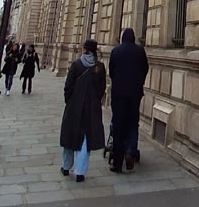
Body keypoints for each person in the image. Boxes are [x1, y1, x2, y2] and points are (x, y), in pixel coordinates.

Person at [59, 38, 106, 183]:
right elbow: (101, 89)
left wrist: (70, 101)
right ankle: (80, 172)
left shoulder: (76, 65)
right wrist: (95, 102)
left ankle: (66, 167)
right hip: (91, 108)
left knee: (69, 137)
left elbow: (68, 86)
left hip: (74, 106)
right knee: (85, 139)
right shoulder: (100, 67)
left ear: (85, 49)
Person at [107, 27, 149, 173]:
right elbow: (145, 69)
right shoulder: (140, 51)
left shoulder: (116, 51)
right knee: (132, 124)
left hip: (118, 95)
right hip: (134, 94)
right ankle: (130, 152)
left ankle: (118, 164)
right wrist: (138, 83)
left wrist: (118, 83)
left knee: (118, 127)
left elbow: (111, 71)